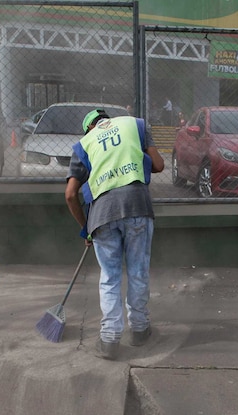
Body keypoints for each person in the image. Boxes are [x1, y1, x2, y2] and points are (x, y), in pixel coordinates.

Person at [64, 109, 165, 360]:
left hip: (102, 216)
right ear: (107, 119)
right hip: (137, 207)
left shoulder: (83, 145)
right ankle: (140, 331)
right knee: (137, 270)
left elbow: (69, 194)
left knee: (109, 277)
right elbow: (159, 165)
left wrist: (86, 227)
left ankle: (109, 340)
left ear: (89, 128)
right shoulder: (135, 126)